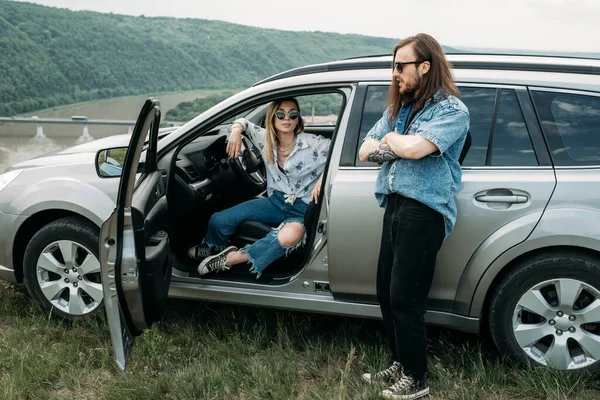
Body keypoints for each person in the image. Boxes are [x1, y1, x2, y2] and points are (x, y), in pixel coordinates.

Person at [358, 34, 470, 400]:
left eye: (400, 66)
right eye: (393, 66)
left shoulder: (452, 111)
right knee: (386, 294)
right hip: (395, 206)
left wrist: (389, 141)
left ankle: (416, 378)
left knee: (407, 297)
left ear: (425, 66)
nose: (394, 74)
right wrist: (397, 143)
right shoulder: (400, 111)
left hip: (424, 212)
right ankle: (400, 361)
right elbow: (363, 150)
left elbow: (416, 149)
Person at [188, 97, 331, 278]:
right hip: (275, 202)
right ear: (272, 117)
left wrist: (324, 178)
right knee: (219, 220)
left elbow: (341, 151)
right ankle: (212, 247)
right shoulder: (264, 138)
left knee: (290, 237)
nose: (287, 118)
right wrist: (236, 132)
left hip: (301, 210)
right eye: (280, 114)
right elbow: (243, 122)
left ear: (298, 119)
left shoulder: (314, 144)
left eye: (292, 114)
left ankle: (230, 258)